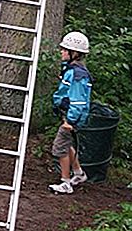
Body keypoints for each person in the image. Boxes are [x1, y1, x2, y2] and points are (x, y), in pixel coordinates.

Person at [48, 31, 93, 195]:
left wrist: (71, 121)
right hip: (67, 115)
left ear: (74, 53)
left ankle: (65, 182)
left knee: (59, 147)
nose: (61, 52)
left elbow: (78, 101)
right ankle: (79, 173)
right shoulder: (72, 70)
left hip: (71, 118)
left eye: (64, 50)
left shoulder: (77, 74)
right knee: (67, 145)